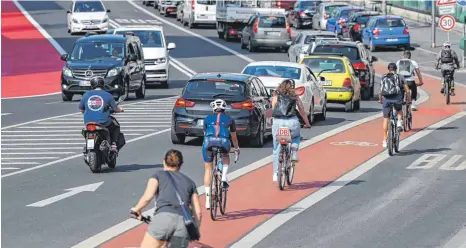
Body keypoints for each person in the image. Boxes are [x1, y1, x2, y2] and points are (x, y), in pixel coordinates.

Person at [131, 149, 202, 248]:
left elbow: (147, 197)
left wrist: (137, 209)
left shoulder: (158, 175)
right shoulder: (190, 183)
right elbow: (198, 212)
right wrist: (194, 229)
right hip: (183, 225)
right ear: (180, 165)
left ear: (164, 162)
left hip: (163, 219)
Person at [202, 99, 240, 209]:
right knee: (225, 156)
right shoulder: (229, 119)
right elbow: (234, 137)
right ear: (225, 108)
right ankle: (223, 177)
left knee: (208, 170)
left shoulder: (207, 119)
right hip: (223, 142)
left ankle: (208, 200)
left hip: (208, 143)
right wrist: (236, 148)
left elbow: (205, 135)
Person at [271, 79, 311, 182]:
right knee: (296, 137)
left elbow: (273, 108)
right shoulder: (295, 97)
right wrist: (307, 123)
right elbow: (302, 111)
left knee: (276, 148)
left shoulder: (276, 95)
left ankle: (276, 174)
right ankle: (293, 151)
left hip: (278, 122)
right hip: (291, 122)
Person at [78, 77, 123, 152]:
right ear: (103, 85)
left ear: (92, 85)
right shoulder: (107, 95)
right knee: (115, 125)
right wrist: (121, 109)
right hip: (103, 122)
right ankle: (113, 144)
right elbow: (115, 109)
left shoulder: (86, 95)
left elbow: (81, 109)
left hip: (88, 122)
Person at [379, 63, 411, 148]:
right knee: (399, 110)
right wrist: (409, 99)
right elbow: (407, 90)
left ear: (388, 69)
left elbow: (380, 90)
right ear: (396, 69)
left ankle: (384, 140)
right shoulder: (400, 77)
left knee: (386, 119)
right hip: (397, 98)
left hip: (386, 99)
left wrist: (380, 99)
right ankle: (399, 123)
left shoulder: (383, 77)